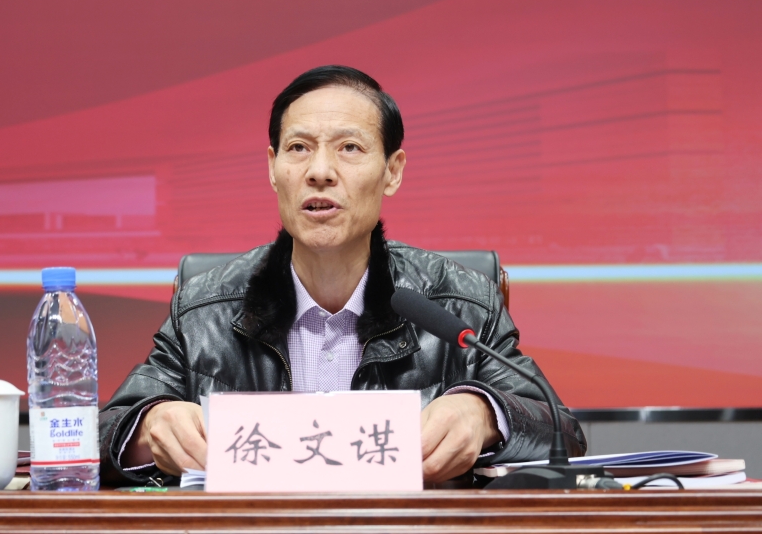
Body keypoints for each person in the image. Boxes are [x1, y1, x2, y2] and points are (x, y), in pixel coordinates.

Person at [99, 65, 586, 486]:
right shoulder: (204, 307)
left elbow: (562, 431)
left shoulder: (460, 303)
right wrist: (149, 425)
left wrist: (484, 414)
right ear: (273, 168)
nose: (320, 171)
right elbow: (100, 435)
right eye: (298, 148)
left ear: (392, 171)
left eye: (349, 147)